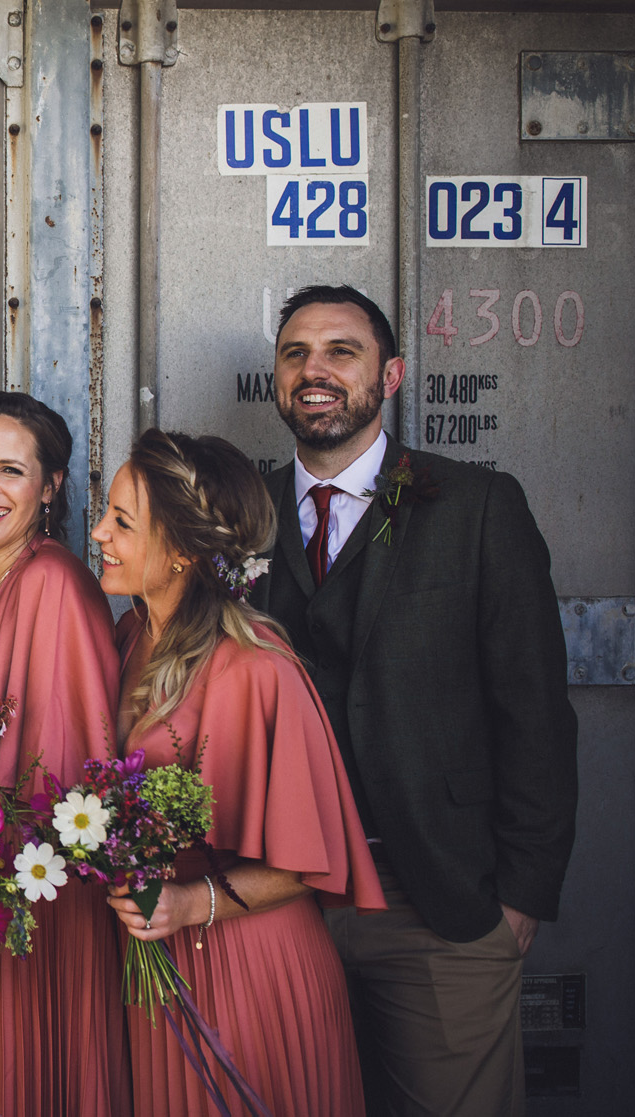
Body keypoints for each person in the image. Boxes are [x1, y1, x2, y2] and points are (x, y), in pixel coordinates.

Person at [255, 284, 576, 1116]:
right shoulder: (240, 513)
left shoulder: (475, 506)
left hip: (434, 896)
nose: (313, 370)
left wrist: (518, 897)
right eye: (294, 353)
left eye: (340, 352)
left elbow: (533, 709)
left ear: (389, 375)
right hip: (276, 895)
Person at [96, 428, 385, 1117]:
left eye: (121, 521)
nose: (99, 532)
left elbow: (307, 862)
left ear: (183, 552)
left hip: (243, 967)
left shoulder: (257, 669)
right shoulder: (130, 633)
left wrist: (190, 902)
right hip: (157, 960)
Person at [0, 392, 130, 1117]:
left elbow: (70, 784)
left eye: (11, 469)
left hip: (29, 912)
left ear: (51, 486)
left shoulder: (53, 584)